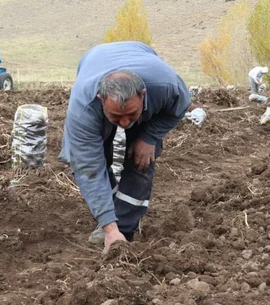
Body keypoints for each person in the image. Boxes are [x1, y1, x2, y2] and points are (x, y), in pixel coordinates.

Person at [58, 41, 191, 252]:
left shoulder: (167, 87)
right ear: (101, 100)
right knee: (94, 157)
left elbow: (178, 109)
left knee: (143, 159)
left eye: (131, 114)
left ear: (143, 94)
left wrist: (149, 137)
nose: (125, 124)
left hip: (142, 57)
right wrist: (109, 228)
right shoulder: (84, 109)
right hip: (93, 60)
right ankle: (111, 225)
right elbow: (89, 169)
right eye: (116, 116)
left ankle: (125, 227)